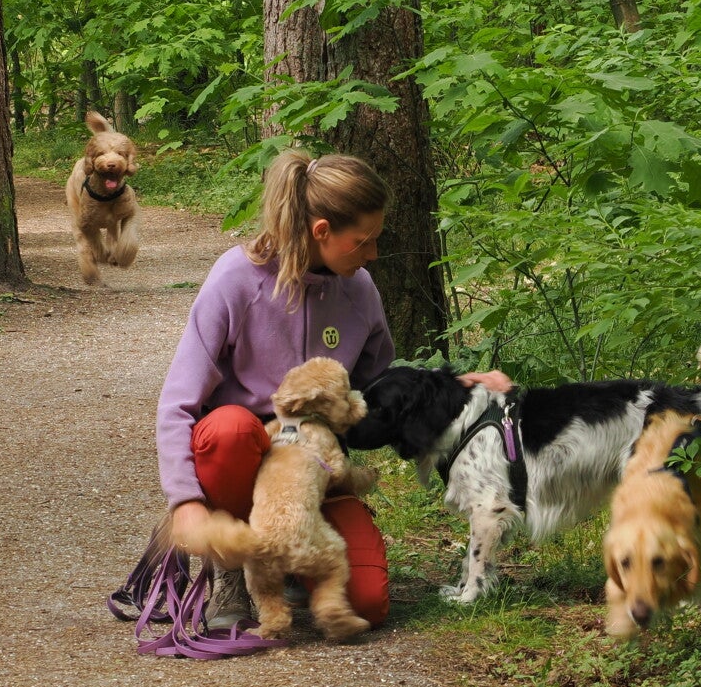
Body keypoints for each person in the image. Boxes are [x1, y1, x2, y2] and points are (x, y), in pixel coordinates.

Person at [152, 149, 508, 632]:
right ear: (322, 231)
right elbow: (177, 404)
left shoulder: (358, 289)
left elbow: (379, 388)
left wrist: (457, 388)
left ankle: (296, 556)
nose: (373, 255)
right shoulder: (235, 281)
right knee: (230, 429)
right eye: (362, 241)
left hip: (315, 471)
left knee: (368, 604)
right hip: (241, 461)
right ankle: (233, 569)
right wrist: (186, 504)